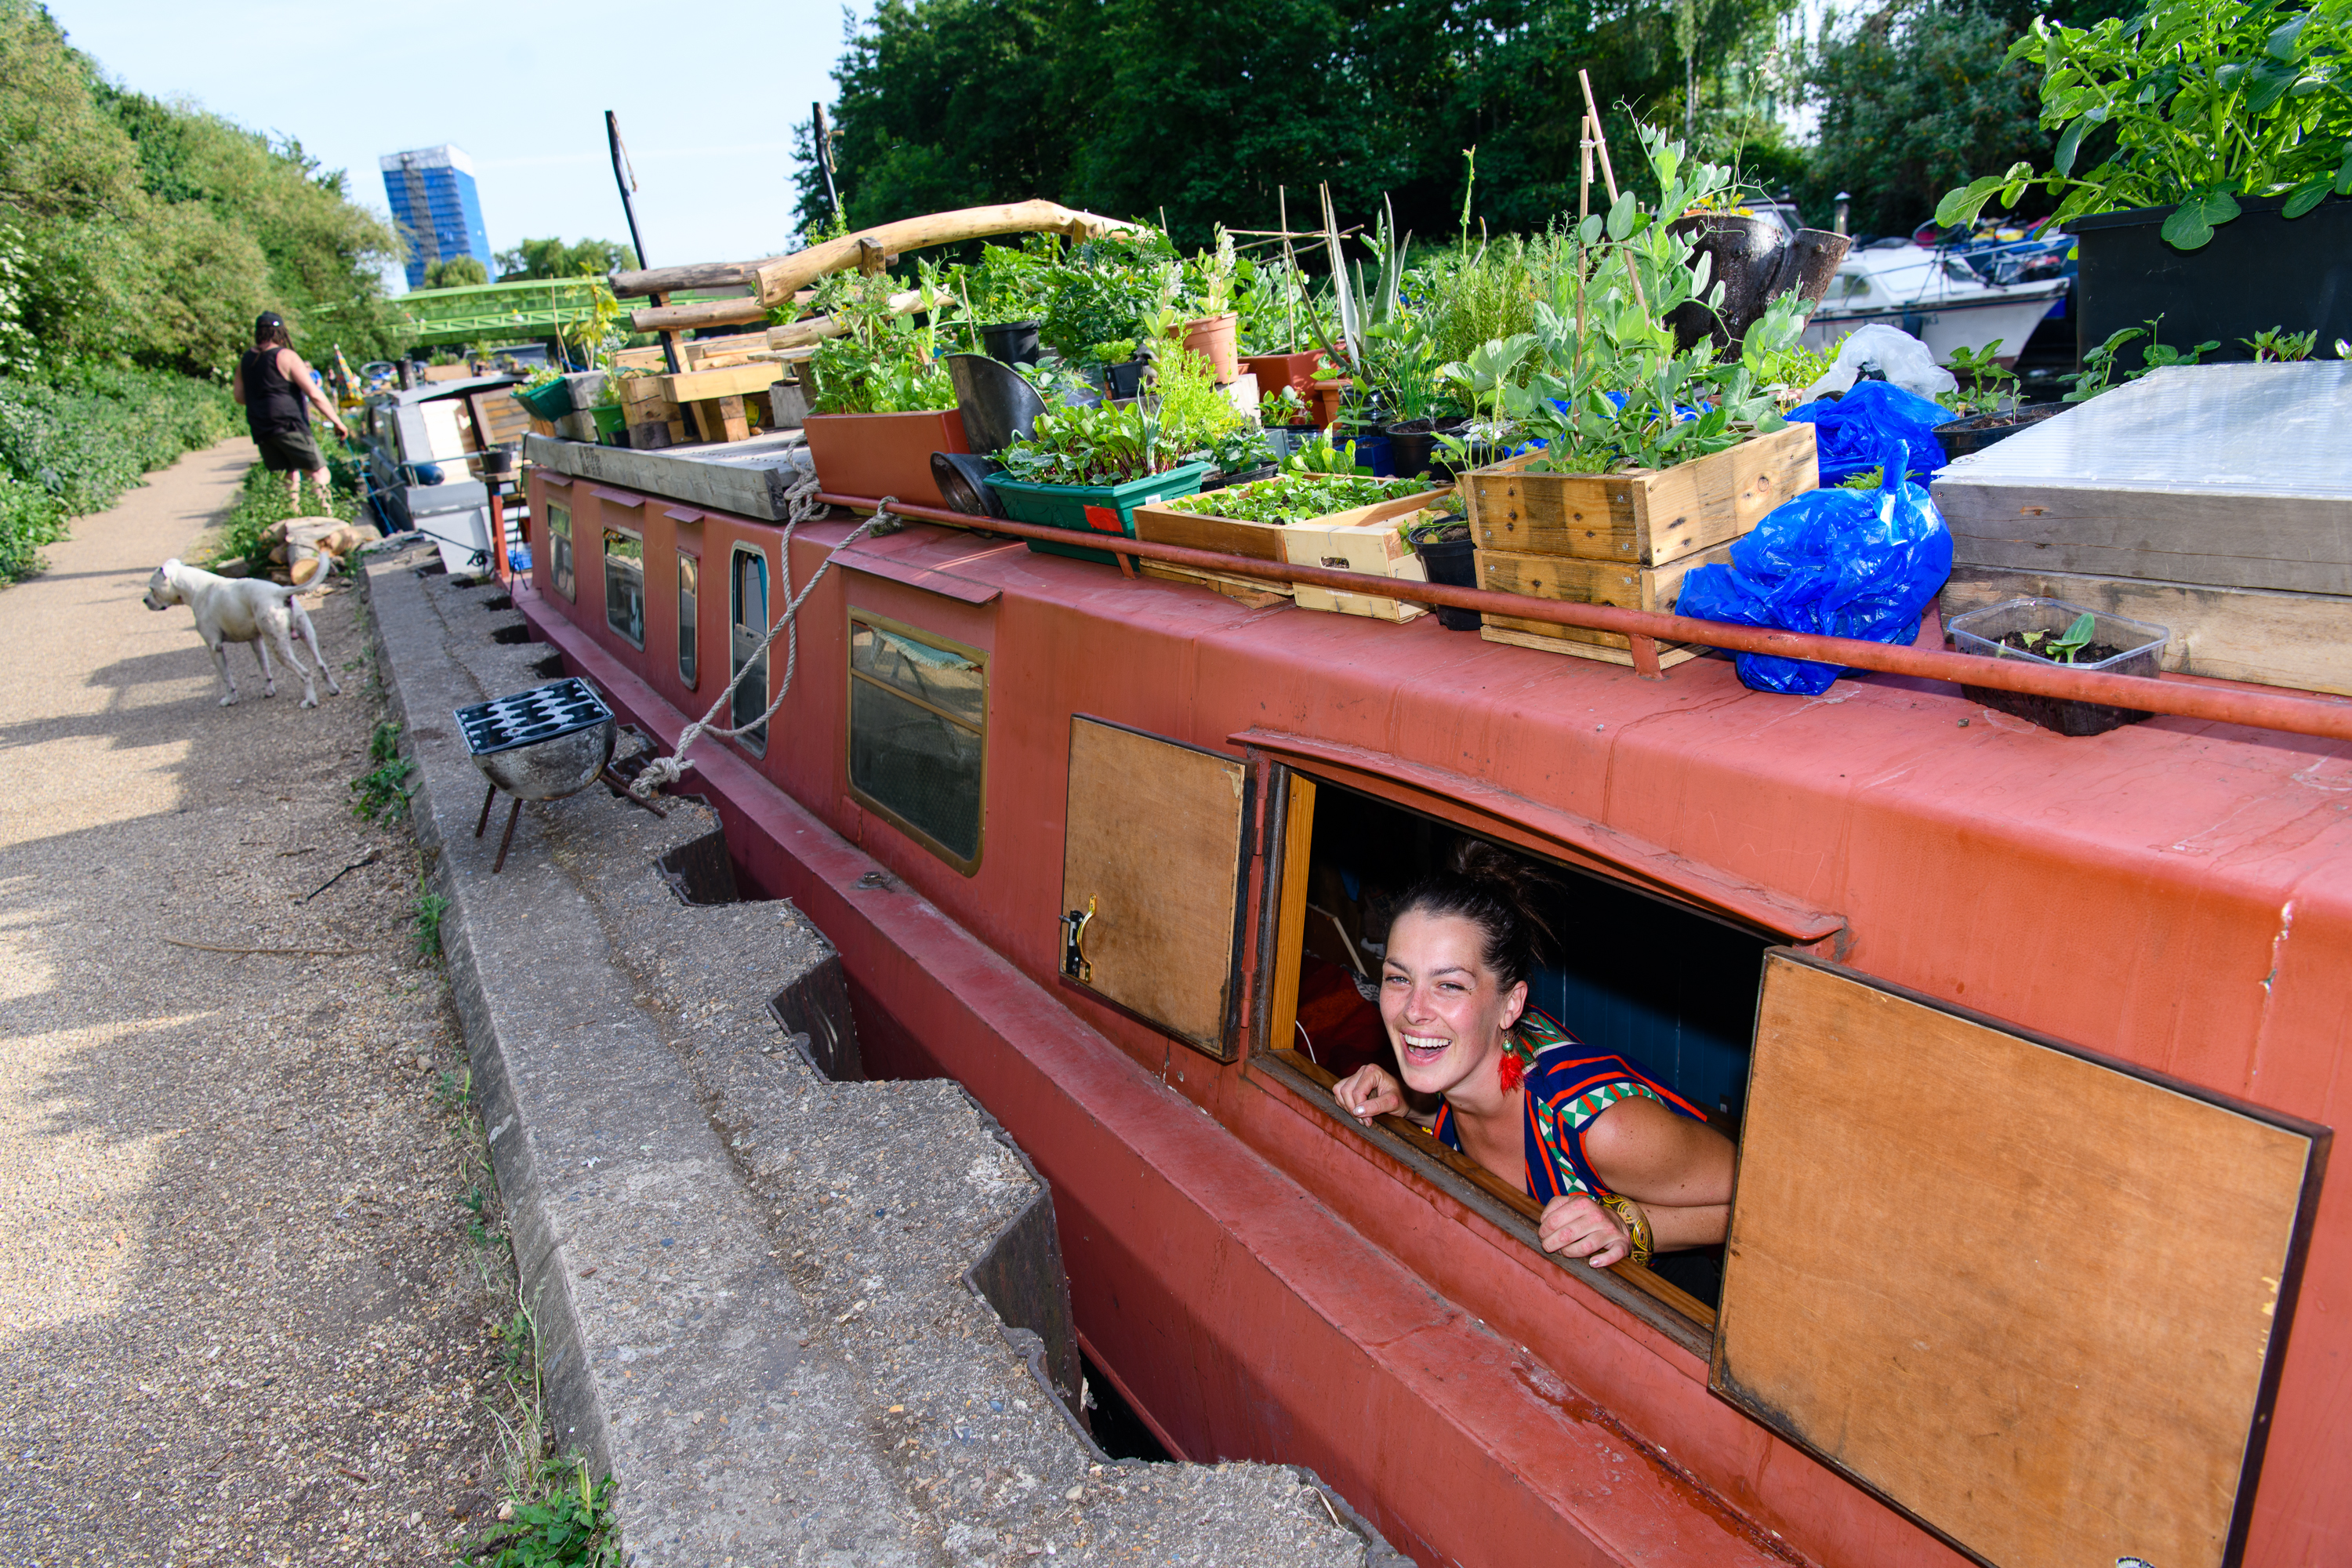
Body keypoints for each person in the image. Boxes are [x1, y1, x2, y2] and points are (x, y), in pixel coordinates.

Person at [1332, 844, 1735, 1272]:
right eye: (1398, 978)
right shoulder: (1460, 1075)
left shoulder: (1597, 1125)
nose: (1413, 1010)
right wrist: (1411, 1105)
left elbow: (1761, 1205)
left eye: (1449, 985)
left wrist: (1632, 1224)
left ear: (1510, 1005)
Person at [231, 311, 349, 510]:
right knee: (318, 472)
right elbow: (314, 393)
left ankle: (292, 516)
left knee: (288, 475)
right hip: (289, 424)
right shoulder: (285, 356)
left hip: (261, 427)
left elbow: (240, 397)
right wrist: (337, 422)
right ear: (281, 332)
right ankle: (326, 515)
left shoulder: (246, 360)